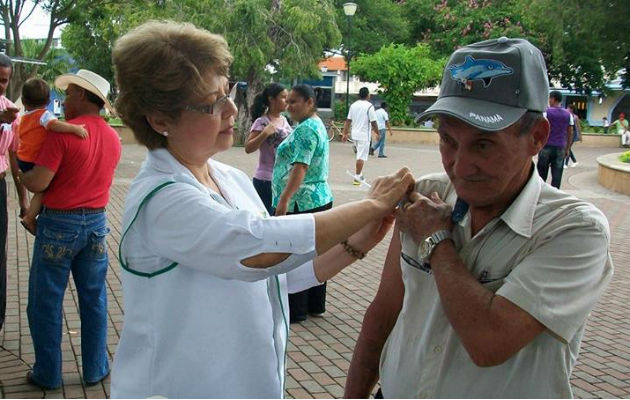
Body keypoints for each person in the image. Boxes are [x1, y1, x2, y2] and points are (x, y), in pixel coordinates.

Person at [109, 21, 414, 398]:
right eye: (212, 104)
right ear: (159, 120)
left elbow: (278, 274)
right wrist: (371, 205)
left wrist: (358, 242)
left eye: (228, 93)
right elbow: (261, 249)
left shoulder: (227, 178)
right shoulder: (161, 199)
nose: (231, 110)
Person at [345, 37, 613, 399]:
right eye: (448, 140)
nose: (460, 164)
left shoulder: (574, 230)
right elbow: (384, 313)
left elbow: (489, 341)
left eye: (483, 144)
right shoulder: (426, 194)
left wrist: (437, 242)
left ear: (537, 137)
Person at [19, 69, 121, 390]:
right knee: (94, 299)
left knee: (45, 301)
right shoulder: (113, 137)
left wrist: (21, 174)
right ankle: (95, 369)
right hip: (96, 224)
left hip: (59, 224)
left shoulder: (64, 133)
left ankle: (47, 374)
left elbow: (39, 181)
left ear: (81, 95)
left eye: (70, 93)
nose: (65, 99)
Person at [272, 84, 333, 323]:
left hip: (303, 202)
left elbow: (301, 167)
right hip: (317, 199)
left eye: (294, 102)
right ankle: (315, 305)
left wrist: (284, 200)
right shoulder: (314, 124)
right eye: (288, 102)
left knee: (297, 256)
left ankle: (297, 310)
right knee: (314, 254)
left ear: (310, 102)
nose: (289, 107)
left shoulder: (307, 129)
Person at [17, 77, 89, 235]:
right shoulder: (43, 115)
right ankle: (30, 217)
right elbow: (54, 124)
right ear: (49, 100)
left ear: (23, 101)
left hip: (23, 158)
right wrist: (74, 129)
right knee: (43, 190)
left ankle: (30, 214)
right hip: (32, 160)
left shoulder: (25, 117)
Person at [0, 54, 29, 333]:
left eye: (4, 81)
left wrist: (23, 200)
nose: (1, 85)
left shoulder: (10, 109)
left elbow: (15, 155)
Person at [245, 83, 291, 215]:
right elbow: (248, 148)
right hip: (266, 180)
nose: (286, 101)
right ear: (271, 99)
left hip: (282, 179)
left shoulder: (285, 120)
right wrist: (264, 134)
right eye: (283, 97)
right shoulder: (262, 121)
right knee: (266, 218)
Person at [536, 90, 573, 189]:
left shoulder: (546, 113)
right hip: (560, 147)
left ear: (553, 99)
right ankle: (554, 194)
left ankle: (539, 193)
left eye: (549, 98)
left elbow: (540, 128)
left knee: (541, 173)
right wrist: (567, 148)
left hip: (546, 146)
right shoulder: (568, 114)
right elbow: (570, 132)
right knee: (557, 174)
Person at [342, 87, 378, 185]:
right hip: (364, 135)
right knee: (361, 157)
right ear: (367, 95)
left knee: (359, 155)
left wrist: (345, 133)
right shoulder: (369, 106)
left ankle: (360, 175)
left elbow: (348, 120)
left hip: (355, 135)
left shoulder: (353, 105)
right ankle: (357, 178)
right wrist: (377, 133)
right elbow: (373, 121)